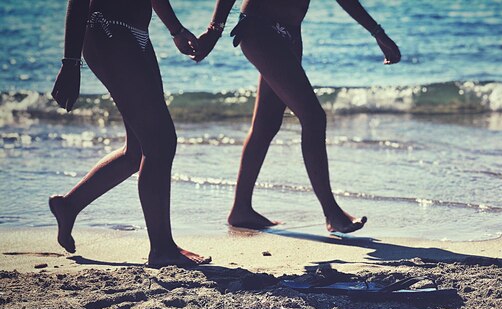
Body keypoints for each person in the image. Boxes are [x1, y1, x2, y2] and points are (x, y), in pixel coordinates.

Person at [192, 0, 401, 233]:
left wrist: (378, 33)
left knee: (266, 124)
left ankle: (241, 209)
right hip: (261, 30)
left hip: (290, 34)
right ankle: (332, 212)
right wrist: (214, 30)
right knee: (313, 117)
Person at [50, 0, 209, 267]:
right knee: (160, 143)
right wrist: (70, 62)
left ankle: (69, 205)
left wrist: (176, 30)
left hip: (135, 35)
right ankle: (162, 248)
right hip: (108, 30)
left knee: (139, 149)